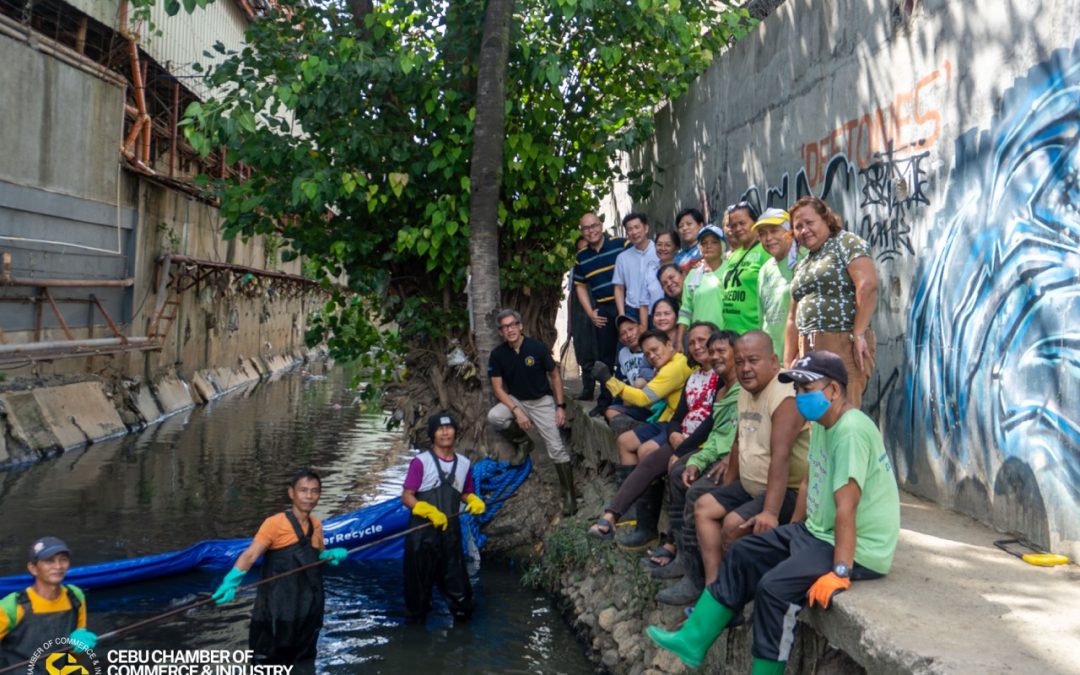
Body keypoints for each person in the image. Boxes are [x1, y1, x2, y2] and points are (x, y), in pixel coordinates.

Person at [647, 351, 900, 674]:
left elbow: (846, 507)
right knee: (743, 551)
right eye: (796, 390)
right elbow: (809, 481)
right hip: (818, 533)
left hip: (859, 547)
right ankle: (694, 640)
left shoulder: (850, 430)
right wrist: (790, 532)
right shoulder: (824, 422)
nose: (799, 397)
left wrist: (840, 571)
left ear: (834, 391)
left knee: (773, 589)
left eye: (807, 390)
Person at [694, 331, 810, 587]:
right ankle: (712, 588)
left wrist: (770, 512)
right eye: (740, 362)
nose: (745, 369)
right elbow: (738, 442)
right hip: (753, 485)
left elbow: (781, 456)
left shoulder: (785, 396)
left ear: (773, 360)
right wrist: (728, 489)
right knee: (704, 507)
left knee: (733, 525)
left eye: (753, 360)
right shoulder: (745, 389)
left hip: (786, 491)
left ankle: (728, 599)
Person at [212, 469, 348, 665]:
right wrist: (231, 581)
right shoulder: (274, 524)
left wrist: (330, 556)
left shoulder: (316, 525)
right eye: (303, 490)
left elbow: (318, 556)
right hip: (277, 608)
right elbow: (250, 555)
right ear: (291, 493)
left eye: (314, 491)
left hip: (309, 608)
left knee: (304, 659)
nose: (309, 496)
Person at [586, 326, 704, 547]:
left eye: (655, 349)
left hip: (676, 426)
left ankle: (646, 526)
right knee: (624, 441)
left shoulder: (676, 367)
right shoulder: (669, 365)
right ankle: (630, 509)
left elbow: (643, 398)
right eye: (647, 353)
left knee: (645, 450)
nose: (652, 355)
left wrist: (608, 380)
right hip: (666, 420)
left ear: (670, 345)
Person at [650, 331, 741, 605]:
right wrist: (694, 459)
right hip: (718, 453)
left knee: (695, 493)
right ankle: (682, 558)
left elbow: (732, 439)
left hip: (737, 463)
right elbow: (716, 435)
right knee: (679, 472)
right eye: (711, 352)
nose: (714, 356)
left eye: (720, 351)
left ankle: (696, 578)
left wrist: (705, 458)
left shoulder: (743, 390)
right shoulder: (721, 389)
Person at [785, 196, 879, 406]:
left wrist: (858, 333)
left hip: (842, 342)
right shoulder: (803, 264)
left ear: (826, 220)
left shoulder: (845, 243)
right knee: (816, 416)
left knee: (842, 408)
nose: (804, 230)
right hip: (807, 347)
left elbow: (868, 285)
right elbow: (792, 317)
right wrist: (789, 359)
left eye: (809, 223)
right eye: (798, 227)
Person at [485, 308, 575, 515]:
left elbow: (554, 376)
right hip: (517, 399)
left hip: (542, 400)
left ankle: (569, 495)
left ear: (520, 325)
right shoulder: (498, 355)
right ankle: (524, 442)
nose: (509, 330)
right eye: (504, 327)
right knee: (495, 417)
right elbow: (498, 389)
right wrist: (517, 410)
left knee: (556, 448)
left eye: (512, 325)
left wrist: (560, 407)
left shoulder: (537, 347)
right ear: (501, 332)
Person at [401, 412, 486, 623]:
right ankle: (417, 638)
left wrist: (473, 500)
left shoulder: (465, 464)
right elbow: (406, 496)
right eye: (440, 429)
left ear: (455, 433)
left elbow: (464, 492)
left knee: (461, 598)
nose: (445, 432)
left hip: (450, 536)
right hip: (422, 537)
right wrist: (425, 509)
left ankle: (461, 635)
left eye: (449, 428)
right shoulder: (421, 462)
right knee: (417, 599)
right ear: (432, 435)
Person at [0, 538, 97, 670]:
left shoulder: (75, 596)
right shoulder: (11, 606)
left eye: (63, 559)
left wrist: (80, 646)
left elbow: (74, 655)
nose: (58, 567)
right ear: (33, 568)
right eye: (49, 561)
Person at [573, 211, 630, 414]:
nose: (591, 231)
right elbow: (580, 286)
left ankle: (631, 400)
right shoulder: (581, 257)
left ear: (601, 226)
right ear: (582, 232)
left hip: (626, 306)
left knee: (631, 353)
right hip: (603, 310)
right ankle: (606, 401)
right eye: (586, 228)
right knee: (605, 359)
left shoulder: (621, 245)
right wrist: (590, 313)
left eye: (594, 226)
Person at [754, 208, 806, 360]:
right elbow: (761, 317)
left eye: (774, 231)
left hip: (799, 357)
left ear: (789, 232)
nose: (768, 238)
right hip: (772, 358)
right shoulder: (765, 269)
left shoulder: (805, 260)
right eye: (762, 233)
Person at [715, 201, 770, 335]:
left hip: (753, 332)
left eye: (742, 223)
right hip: (730, 333)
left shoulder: (765, 251)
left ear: (755, 222)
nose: (737, 229)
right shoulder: (735, 255)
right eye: (733, 225)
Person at [676, 224, 726, 347]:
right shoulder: (693, 274)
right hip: (700, 341)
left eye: (714, 242)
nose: (708, 246)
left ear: (722, 246)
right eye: (704, 243)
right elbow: (686, 310)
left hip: (725, 337)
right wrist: (679, 341)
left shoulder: (731, 269)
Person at [603, 315, 656, 427]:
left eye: (631, 329)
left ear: (641, 328)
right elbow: (621, 380)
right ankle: (637, 426)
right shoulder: (622, 354)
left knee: (639, 383)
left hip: (654, 399)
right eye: (623, 333)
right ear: (620, 339)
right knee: (610, 412)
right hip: (635, 402)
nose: (628, 335)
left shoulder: (652, 349)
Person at [613, 213, 664, 327]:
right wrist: (622, 315)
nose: (634, 232)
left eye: (637, 227)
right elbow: (619, 288)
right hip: (632, 311)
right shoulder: (622, 257)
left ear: (646, 228)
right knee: (626, 345)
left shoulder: (660, 251)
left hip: (657, 310)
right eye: (630, 229)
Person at [569, 236, 599, 401]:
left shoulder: (600, 266)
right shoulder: (576, 270)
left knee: (601, 354)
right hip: (580, 316)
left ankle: (608, 394)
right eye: (580, 249)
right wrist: (570, 324)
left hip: (598, 313)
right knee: (584, 353)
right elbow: (571, 297)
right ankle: (588, 390)